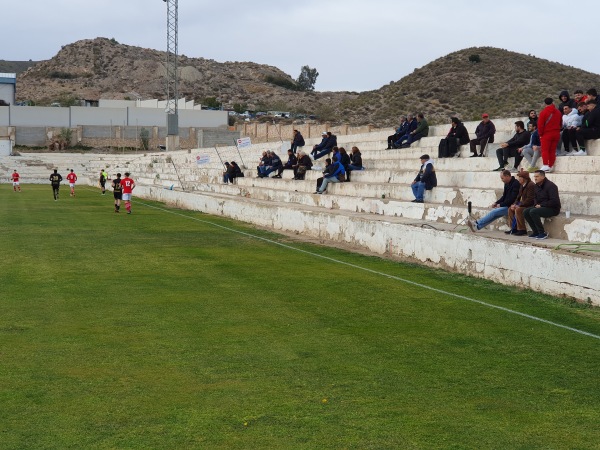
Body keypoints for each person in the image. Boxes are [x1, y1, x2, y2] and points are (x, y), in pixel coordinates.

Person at [523, 170, 561, 239]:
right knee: (526, 211)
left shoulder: (551, 186)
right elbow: (535, 198)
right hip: (541, 207)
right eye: (534, 176)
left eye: (537, 176)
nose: (535, 178)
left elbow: (554, 201)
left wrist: (541, 205)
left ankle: (542, 233)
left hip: (552, 208)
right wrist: (536, 204)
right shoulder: (536, 186)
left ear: (543, 177)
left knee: (533, 211)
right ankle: (535, 232)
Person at [506, 170, 535, 236]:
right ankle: (513, 228)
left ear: (525, 178)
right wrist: (515, 204)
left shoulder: (531, 185)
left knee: (518, 210)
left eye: (520, 178)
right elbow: (518, 197)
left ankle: (522, 229)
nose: (519, 179)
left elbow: (530, 199)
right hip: (523, 204)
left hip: (529, 205)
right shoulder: (522, 185)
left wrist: (520, 205)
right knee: (510, 209)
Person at [537, 97, 562, 172]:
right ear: (552, 102)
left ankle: (545, 165)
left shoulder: (543, 112)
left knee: (545, 150)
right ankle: (550, 166)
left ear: (545, 103)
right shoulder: (558, 112)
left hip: (547, 134)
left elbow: (540, 125)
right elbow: (560, 123)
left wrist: (540, 134)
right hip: (556, 133)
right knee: (552, 150)